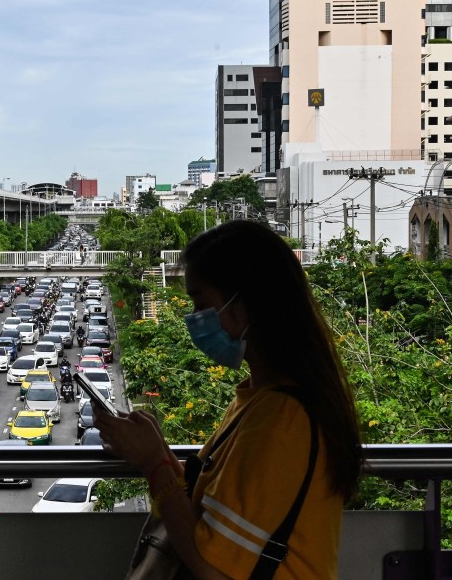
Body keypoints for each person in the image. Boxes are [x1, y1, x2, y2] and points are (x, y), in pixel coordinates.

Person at [95, 220, 362, 580]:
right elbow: (209, 509)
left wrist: (154, 462)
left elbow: (212, 565)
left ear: (245, 306)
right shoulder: (261, 397)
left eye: (200, 303)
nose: (193, 319)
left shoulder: (283, 417)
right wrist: (157, 449)